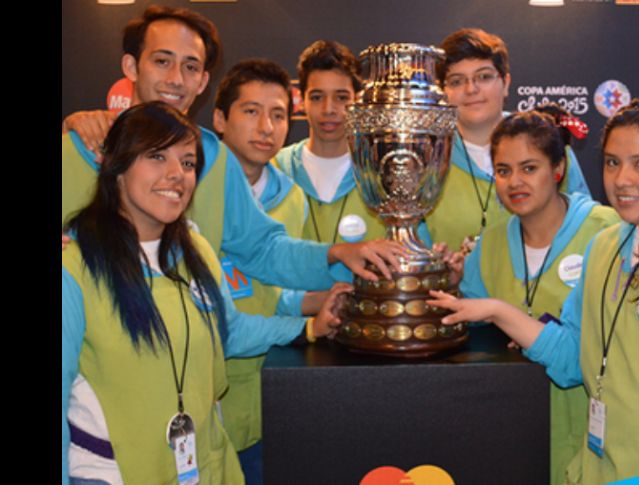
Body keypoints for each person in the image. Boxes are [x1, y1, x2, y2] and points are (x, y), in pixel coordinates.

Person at [62, 102, 351, 485]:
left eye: (187, 163)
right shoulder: (75, 267)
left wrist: (308, 328)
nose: (176, 175)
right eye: (156, 156)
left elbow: (228, 331)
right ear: (116, 169)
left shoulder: (195, 249)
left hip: (205, 469)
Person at [429, 96, 639, 483]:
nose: (622, 179)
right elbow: (572, 359)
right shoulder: (607, 245)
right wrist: (497, 311)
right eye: (612, 162)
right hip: (593, 469)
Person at [61, 5, 406, 292]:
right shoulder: (81, 146)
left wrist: (337, 254)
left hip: (190, 363)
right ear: (132, 67)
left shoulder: (213, 159)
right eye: (162, 61)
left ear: (202, 82)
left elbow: (263, 250)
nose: (176, 79)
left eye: (191, 67)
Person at [452, 109, 619, 485]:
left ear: (558, 169)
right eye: (503, 170)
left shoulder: (607, 231)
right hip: (513, 432)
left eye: (529, 168)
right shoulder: (490, 244)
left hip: (596, 435)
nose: (515, 182)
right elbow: (477, 326)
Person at [211, 58, 323, 484]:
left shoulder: (292, 198)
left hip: (268, 392)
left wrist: (319, 303)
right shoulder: (182, 184)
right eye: (251, 111)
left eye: (278, 114)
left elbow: (277, 291)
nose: (266, 127)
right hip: (207, 393)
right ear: (220, 119)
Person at [424, 28, 590, 253]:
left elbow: (585, 230)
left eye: (484, 76)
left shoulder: (548, 141)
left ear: (506, 82)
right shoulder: (426, 157)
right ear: (443, 92)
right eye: (456, 81)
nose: (471, 89)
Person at [273, 40, 388, 245]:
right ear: (302, 100)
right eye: (317, 97)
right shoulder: (276, 168)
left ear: (357, 101)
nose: (328, 109)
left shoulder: (381, 172)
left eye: (341, 98)